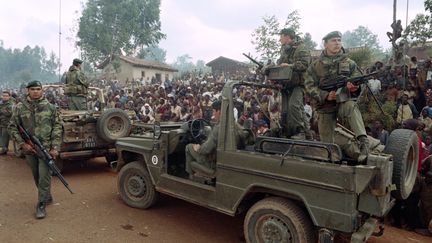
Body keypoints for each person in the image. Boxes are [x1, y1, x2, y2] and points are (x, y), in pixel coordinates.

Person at [304, 31, 369, 162]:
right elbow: (309, 85)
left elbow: (358, 81)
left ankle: (363, 142)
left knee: (351, 106)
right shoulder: (315, 66)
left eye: (339, 40)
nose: (337, 43)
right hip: (325, 106)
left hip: (343, 102)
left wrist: (354, 87)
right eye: (333, 40)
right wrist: (326, 95)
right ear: (325, 44)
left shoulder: (350, 63)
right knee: (327, 146)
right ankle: (333, 163)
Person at [8, 80, 62, 219]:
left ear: (42, 90)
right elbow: (12, 127)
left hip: (46, 149)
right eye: (33, 89)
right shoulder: (19, 108)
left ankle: (41, 204)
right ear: (28, 91)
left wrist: (55, 147)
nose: (36, 91)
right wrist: (21, 144)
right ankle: (47, 196)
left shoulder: (51, 107)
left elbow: (57, 127)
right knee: (36, 175)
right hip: (29, 149)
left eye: (38, 89)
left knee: (44, 175)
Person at [277, 28, 311, 139]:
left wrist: (290, 66)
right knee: (297, 108)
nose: (280, 39)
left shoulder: (301, 48)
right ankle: (307, 133)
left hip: (299, 84)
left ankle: (300, 132)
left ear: (287, 37)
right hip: (288, 84)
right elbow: (280, 63)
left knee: (294, 106)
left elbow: (305, 64)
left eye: (281, 37)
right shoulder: (285, 50)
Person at [185, 100, 221, 178]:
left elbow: (206, 150)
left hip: (212, 162)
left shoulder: (218, 128)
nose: (213, 113)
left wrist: (198, 148)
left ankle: (190, 176)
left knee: (188, 147)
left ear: (219, 111)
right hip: (219, 159)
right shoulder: (230, 125)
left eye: (214, 111)